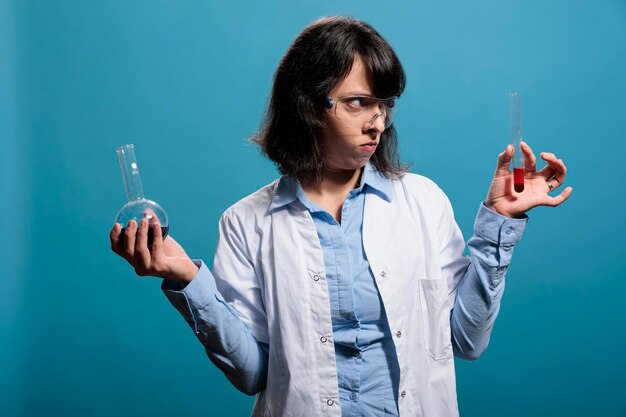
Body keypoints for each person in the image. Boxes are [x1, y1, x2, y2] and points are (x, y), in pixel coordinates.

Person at [110, 16, 572, 417]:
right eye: (358, 102)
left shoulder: (423, 202)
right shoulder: (246, 221)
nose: (378, 122)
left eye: (385, 104)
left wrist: (498, 224)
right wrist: (187, 278)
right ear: (308, 106)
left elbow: (466, 342)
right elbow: (252, 373)